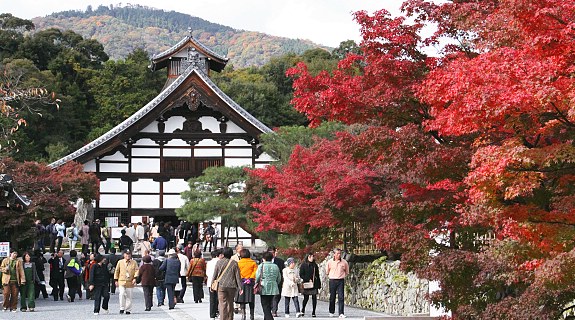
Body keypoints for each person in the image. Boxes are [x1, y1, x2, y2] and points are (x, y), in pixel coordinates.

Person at [212, 247, 243, 320]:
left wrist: (211, 284)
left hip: (221, 285)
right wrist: (240, 287)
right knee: (230, 303)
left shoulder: (219, 262)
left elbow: (215, 274)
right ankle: (230, 318)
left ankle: (223, 318)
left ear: (223, 254)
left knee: (222, 304)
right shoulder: (234, 263)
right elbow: (237, 276)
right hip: (231, 286)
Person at [256, 251, 281, 320]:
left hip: (264, 287)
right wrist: (275, 283)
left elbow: (257, 276)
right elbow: (279, 278)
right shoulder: (275, 266)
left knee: (265, 305)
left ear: (263, 258)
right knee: (270, 304)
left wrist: (256, 283)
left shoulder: (261, 265)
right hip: (274, 287)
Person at [114, 250, 139, 314]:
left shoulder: (134, 262)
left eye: (129, 254)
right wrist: (116, 280)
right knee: (122, 294)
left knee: (129, 296)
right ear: (124, 255)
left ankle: (128, 309)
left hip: (130, 281)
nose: (128, 255)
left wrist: (135, 278)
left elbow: (137, 270)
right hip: (122, 280)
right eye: (126, 254)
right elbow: (117, 271)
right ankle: (122, 307)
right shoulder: (120, 262)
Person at [326, 248, 350, 318]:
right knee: (332, 297)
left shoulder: (344, 262)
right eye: (337, 253)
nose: (339, 255)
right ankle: (331, 311)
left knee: (341, 297)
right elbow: (327, 272)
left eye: (340, 253)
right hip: (332, 280)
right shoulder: (330, 262)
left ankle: (341, 313)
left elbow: (347, 271)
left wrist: (342, 276)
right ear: (334, 254)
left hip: (340, 280)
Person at [236, 248, 257, 320]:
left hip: (242, 282)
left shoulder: (238, 263)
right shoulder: (253, 263)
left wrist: (243, 278)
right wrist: (250, 278)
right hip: (250, 283)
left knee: (242, 299)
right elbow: (255, 272)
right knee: (251, 300)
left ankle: (243, 315)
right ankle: (252, 315)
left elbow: (237, 273)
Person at [299, 252, 321, 317]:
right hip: (307, 283)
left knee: (314, 297)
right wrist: (307, 279)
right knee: (306, 298)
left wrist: (319, 284)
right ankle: (303, 309)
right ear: (307, 257)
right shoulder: (303, 265)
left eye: (312, 256)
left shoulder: (315, 265)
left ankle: (313, 311)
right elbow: (301, 274)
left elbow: (317, 274)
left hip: (314, 283)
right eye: (310, 257)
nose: (311, 258)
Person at [269, 247, 285, 317]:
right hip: (268, 282)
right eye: (270, 252)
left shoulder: (280, 261)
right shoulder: (264, 261)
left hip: (278, 281)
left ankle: (274, 309)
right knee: (270, 296)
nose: (272, 254)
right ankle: (273, 310)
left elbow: (283, 271)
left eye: (273, 252)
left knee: (277, 296)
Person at [207, 249, 222, 320]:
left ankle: (212, 314)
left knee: (212, 299)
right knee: (219, 298)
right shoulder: (219, 262)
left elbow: (207, 273)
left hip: (210, 282)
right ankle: (218, 312)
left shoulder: (209, 262)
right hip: (218, 282)